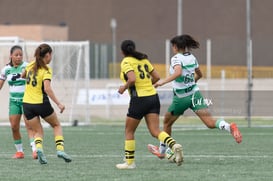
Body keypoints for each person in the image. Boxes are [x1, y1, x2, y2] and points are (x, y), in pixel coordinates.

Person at [147, 34, 242, 159]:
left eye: (173, 46)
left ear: (175, 46)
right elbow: (199, 74)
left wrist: (162, 82)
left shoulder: (176, 58)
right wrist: (191, 83)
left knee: (166, 123)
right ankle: (230, 127)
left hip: (181, 98)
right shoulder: (192, 57)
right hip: (195, 94)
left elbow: (178, 72)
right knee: (210, 122)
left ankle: (162, 151)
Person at [116, 40, 183, 169]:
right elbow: (157, 77)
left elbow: (132, 79)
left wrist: (124, 87)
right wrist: (146, 85)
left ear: (122, 51)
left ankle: (129, 163)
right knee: (155, 131)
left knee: (129, 131)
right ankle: (174, 145)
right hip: (153, 97)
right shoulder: (143, 60)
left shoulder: (126, 61)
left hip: (139, 99)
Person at [22, 43, 72, 164]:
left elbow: (23, 75)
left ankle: (39, 149)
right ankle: (60, 150)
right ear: (47, 55)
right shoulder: (46, 69)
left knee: (38, 131)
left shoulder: (30, 65)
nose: (51, 58)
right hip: (40, 103)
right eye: (51, 55)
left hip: (27, 104)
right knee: (56, 125)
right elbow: (47, 88)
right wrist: (59, 103)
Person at [0, 45, 37, 159]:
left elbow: (34, 81)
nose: (19, 57)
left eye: (20, 55)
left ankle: (35, 150)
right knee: (14, 127)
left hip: (26, 101)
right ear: (11, 56)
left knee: (29, 126)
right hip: (14, 102)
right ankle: (20, 152)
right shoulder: (6, 69)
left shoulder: (27, 66)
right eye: (16, 55)